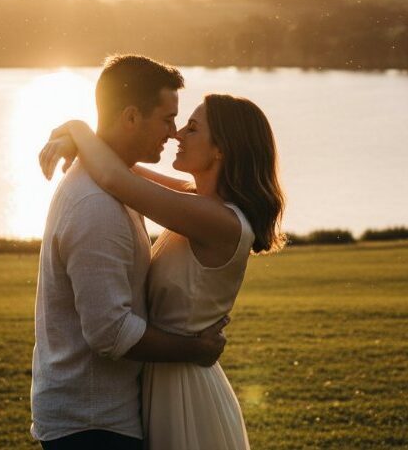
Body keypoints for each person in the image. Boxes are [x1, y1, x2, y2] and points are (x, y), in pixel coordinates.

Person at [40, 87, 285, 449]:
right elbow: (122, 167)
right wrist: (87, 144)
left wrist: (78, 128)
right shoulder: (199, 201)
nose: (177, 134)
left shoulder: (216, 219)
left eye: (192, 128)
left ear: (221, 149)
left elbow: (115, 179)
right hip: (162, 373)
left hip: (183, 385)